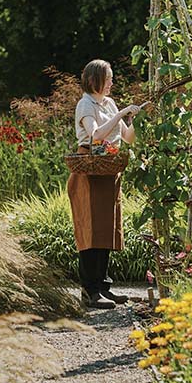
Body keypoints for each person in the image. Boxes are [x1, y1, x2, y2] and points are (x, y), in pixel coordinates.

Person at [68, 59, 143, 309]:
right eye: (108, 78)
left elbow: (127, 138)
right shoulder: (85, 104)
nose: (112, 82)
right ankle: (89, 291)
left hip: (108, 169)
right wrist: (120, 114)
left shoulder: (109, 103)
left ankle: (103, 287)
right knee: (90, 229)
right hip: (89, 171)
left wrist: (132, 120)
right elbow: (96, 135)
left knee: (106, 229)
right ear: (94, 80)